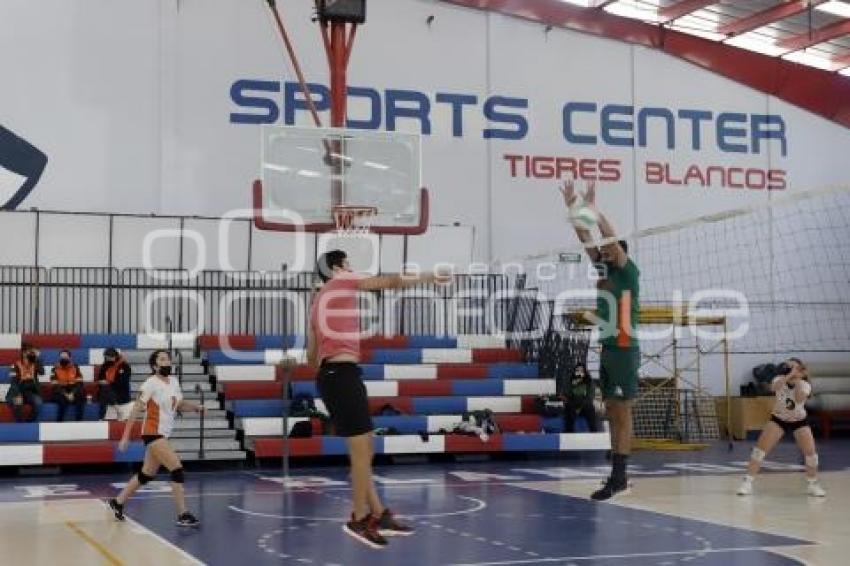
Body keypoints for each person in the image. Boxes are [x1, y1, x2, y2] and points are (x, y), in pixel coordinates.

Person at [308, 250, 450, 548]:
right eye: (347, 262)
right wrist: (428, 276)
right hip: (340, 374)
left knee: (365, 448)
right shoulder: (342, 281)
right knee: (362, 452)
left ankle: (379, 512)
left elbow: (310, 358)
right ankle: (358, 518)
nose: (351, 267)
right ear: (337, 268)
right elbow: (389, 281)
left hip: (333, 375)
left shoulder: (318, 301)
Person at [560, 179, 640, 501]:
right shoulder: (604, 270)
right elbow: (585, 237)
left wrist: (594, 209)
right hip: (608, 348)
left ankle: (619, 477)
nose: (603, 251)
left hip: (623, 349)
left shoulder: (628, 271)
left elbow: (605, 236)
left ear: (618, 252)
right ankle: (618, 473)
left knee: (621, 412)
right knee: (610, 409)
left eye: (609, 249)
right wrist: (573, 207)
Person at [109, 349, 204, 526]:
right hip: (152, 432)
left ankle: (117, 502)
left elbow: (179, 405)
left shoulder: (174, 382)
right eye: (162, 359)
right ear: (155, 365)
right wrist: (125, 437)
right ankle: (183, 514)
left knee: (146, 474)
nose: (167, 361)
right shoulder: (150, 384)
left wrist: (196, 407)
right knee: (176, 469)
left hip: (163, 434)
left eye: (168, 358)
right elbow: (136, 410)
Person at [737, 358, 825, 497]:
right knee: (759, 451)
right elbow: (775, 388)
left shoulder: (804, 385)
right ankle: (747, 482)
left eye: (793, 367)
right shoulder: (779, 379)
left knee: (811, 455)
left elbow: (799, 399)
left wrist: (797, 380)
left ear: (800, 370)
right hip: (779, 419)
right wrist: (789, 376)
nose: (789, 368)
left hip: (799, 420)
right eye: (788, 366)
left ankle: (812, 484)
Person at [5, 344, 44, 422]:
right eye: (29, 352)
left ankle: (29, 423)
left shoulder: (35, 363)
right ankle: (20, 423)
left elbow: (42, 372)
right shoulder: (15, 365)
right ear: (24, 353)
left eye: (32, 353)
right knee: (17, 402)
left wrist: (37, 359)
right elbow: (13, 382)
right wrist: (18, 394)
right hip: (18, 390)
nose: (31, 354)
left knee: (38, 402)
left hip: (30, 392)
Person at [96, 347, 132, 420]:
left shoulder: (124, 365)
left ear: (115, 356)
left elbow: (124, 381)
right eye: (107, 358)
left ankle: (101, 417)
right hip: (108, 390)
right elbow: (100, 378)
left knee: (105, 390)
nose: (108, 359)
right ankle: (118, 410)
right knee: (104, 390)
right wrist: (102, 382)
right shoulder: (105, 365)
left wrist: (109, 382)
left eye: (110, 357)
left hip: (121, 391)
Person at [564, 363, 599, 433]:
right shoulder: (570, 380)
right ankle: (569, 434)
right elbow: (568, 394)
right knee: (569, 408)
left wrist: (580, 407)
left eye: (581, 371)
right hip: (573, 405)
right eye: (577, 370)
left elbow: (590, 397)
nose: (579, 372)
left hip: (585, 406)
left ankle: (594, 433)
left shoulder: (589, 381)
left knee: (590, 408)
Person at [50, 349, 85, 422]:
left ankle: (79, 421)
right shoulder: (54, 369)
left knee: (81, 397)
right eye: (62, 357)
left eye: (65, 357)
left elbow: (79, 383)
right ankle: (59, 422)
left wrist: (72, 393)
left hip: (73, 390)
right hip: (60, 391)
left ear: (70, 358)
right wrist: (66, 394)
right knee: (62, 400)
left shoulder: (75, 367)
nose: (63, 358)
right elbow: (55, 386)